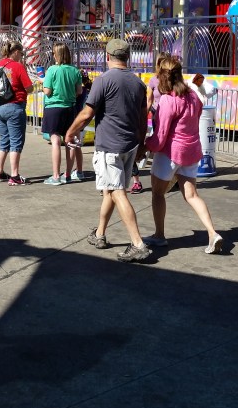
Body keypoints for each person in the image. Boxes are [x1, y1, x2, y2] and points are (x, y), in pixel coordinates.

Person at [65, 38, 151, 263]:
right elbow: (143, 119)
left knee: (116, 191)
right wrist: (142, 144)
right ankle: (100, 234)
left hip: (110, 146)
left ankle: (138, 243)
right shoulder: (138, 83)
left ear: (107, 57)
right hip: (130, 145)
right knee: (110, 190)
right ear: (128, 57)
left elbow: (86, 113)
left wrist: (70, 132)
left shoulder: (103, 81)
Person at [144, 57, 223, 254]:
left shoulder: (168, 101)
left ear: (162, 77)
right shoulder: (194, 97)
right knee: (192, 195)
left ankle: (159, 235)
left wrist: (145, 145)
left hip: (170, 153)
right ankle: (212, 233)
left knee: (157, 193)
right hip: (192, 151)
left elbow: (160, 136)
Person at [0, 40, 34, 185]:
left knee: (3, 141)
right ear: (15, 52)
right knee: (16, 142)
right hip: (14, 106)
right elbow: (28, 88)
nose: (21, 56)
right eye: (21, 53)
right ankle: (14, 176)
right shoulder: (18, 66)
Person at [41, 44, 82, 186]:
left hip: (53, 108)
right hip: (70, 108)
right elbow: (79, 92)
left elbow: (47, 91)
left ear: (56, 55)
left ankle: (56, 175)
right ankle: (68, 174)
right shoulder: (75, 71)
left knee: (55, 141)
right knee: (70, 141)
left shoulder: (52, 70)